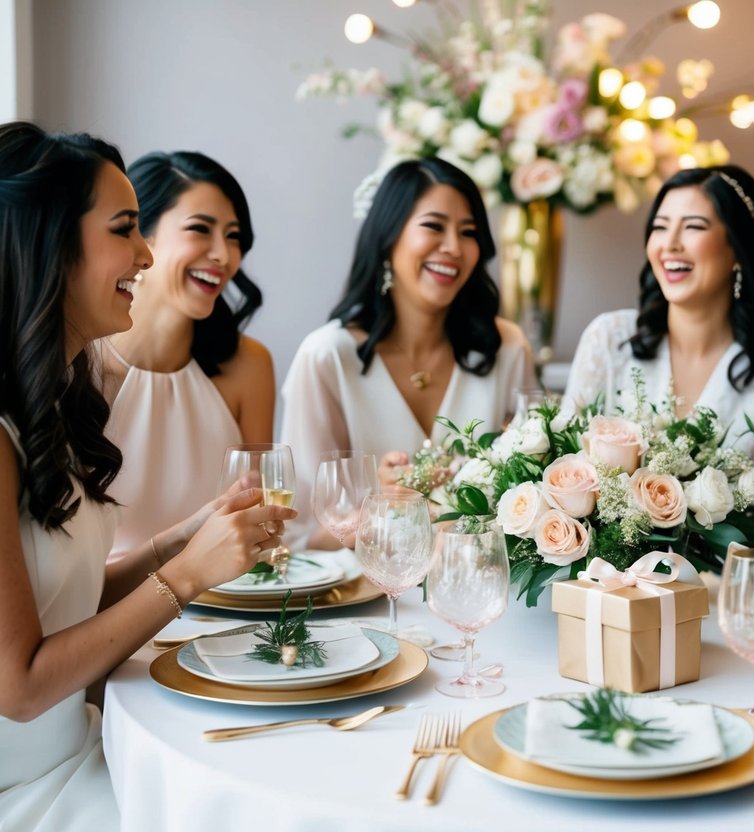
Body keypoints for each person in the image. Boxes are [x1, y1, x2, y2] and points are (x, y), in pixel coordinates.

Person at [0, 122, 295, 830]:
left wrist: (178, 541)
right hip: (27, 784)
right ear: (51, 241)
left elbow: (68, 600)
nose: (142, 253)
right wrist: (187, 576)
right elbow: (20, 685)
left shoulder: (55, 400)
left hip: (83, 741)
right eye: (126, 229)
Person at [280, 157, 532, 547]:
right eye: (433, 226)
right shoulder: (327, 357)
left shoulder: (506, 348)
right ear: (388, 235)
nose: (453, 247)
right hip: (361, 599)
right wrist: (378, 505)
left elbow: (532, 494)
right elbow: (299, 536)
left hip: (480, 589)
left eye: (468, 233)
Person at [561, 165, 754, 478]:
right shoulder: (608, 338)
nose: (670, 244)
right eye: (660, 227)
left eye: (693, 227)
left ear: (737, 247)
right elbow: (565, 468)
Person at [100, 151, 274, 561]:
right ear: (140, 233)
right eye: (201, 230)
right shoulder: (74, 363)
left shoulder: (248, 366)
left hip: (220, 608)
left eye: (234, 237)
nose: (223, 255)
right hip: (95, 613)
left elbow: (262, 524)